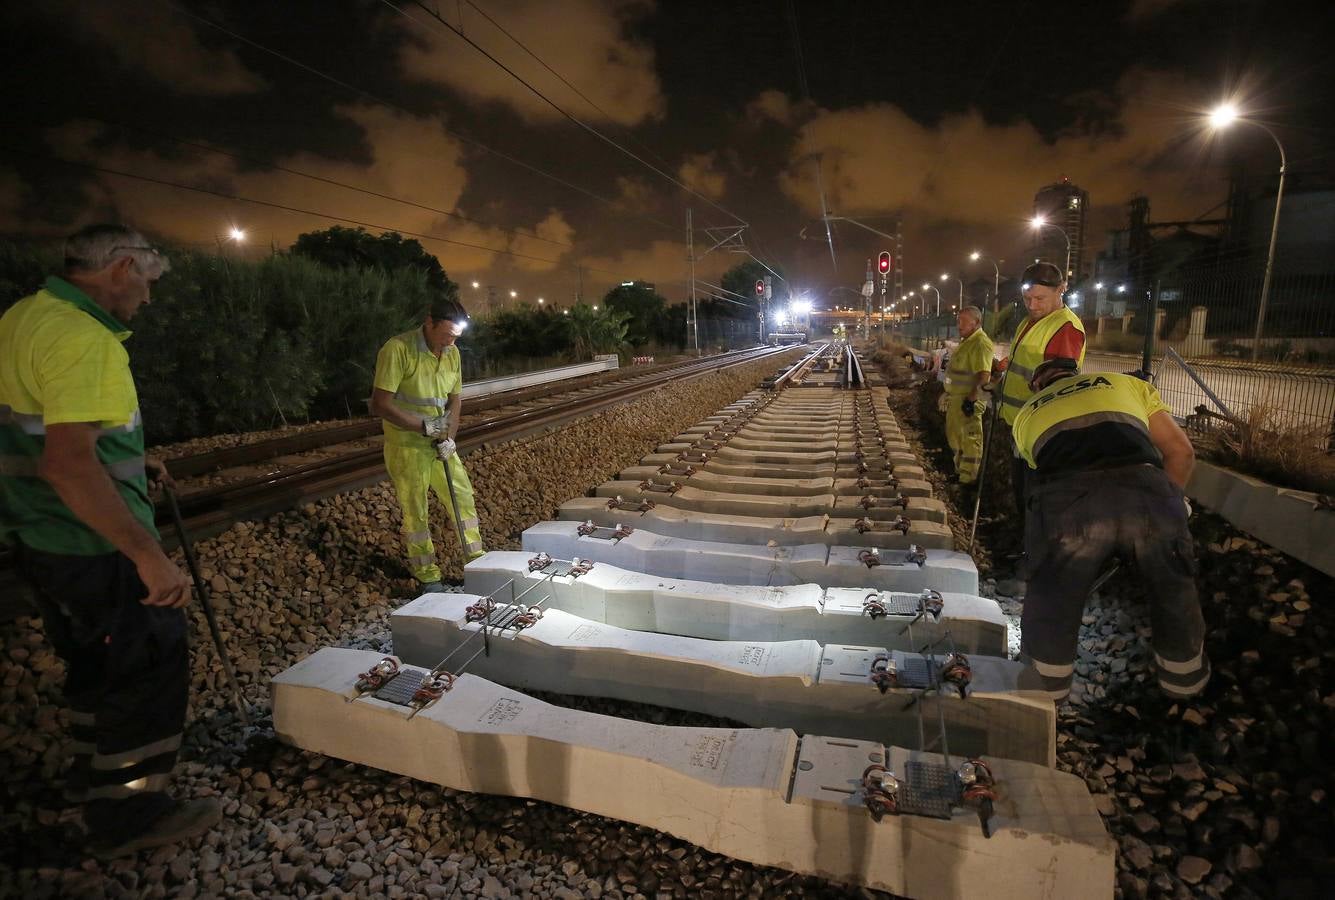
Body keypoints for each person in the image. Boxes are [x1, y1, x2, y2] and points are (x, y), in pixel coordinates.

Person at [0, 224, 221, 858]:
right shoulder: (84, 339)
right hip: (93, 543)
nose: (148, 299)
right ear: (123, 267)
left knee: (93, 666)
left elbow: (50, 434)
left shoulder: (24, 317)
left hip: (40, 537)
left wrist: (132, 457)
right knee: (146, 665)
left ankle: (88, 781)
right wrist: (148, 556)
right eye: (148, 284)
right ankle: (129, 813)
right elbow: (69, 465)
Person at [1011, 358, 1210, 704]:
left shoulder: (1026, 413)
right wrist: (1173, 504)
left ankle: (1043, 698)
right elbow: (1181, 451)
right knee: (1173, 589)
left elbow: (1030, 490)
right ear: (1078, 374)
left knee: (1052, 598)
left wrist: (1043, 550)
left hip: (1070, 501)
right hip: (1148, 490)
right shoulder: (1126, 384)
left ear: (1039, 386)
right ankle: (1186, 689)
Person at [370, 300, 485, 593]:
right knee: (416, 511)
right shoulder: (397, 350)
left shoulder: (452, 353)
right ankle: (428, 575)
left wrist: (450, 437)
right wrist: (424, 427)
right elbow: (380, 404)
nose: (451, 341)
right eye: (447, 334)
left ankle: (477, 562)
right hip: (407, 446)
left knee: (462, 498)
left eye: (456, 336)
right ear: (429, 322)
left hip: (439, 445)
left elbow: (455, 400)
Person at [996, 261, 1087, 521]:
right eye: (1027, 298)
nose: (1032, 305)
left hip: (1040, 432)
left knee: (1035, 495)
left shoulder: (1065, 329)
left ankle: (1033, 548)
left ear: (1061, 290)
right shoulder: (1029, 321)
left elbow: (1058, 385)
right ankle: (1026, 541)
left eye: (1039, 298)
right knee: (1022, 490)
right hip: (1021, 425)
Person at [942, 306, 994, 494]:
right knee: (956, 439)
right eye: (958, 320)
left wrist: (971, 400)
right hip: (957, 400)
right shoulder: (967, 342)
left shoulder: (980, 343)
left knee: (970, 441)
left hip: (968, 402)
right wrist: (947, 392)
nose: (959, 325)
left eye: (963, 321)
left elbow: (984, 376)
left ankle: (967, 481)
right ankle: (959, 473)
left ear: (976, 322)